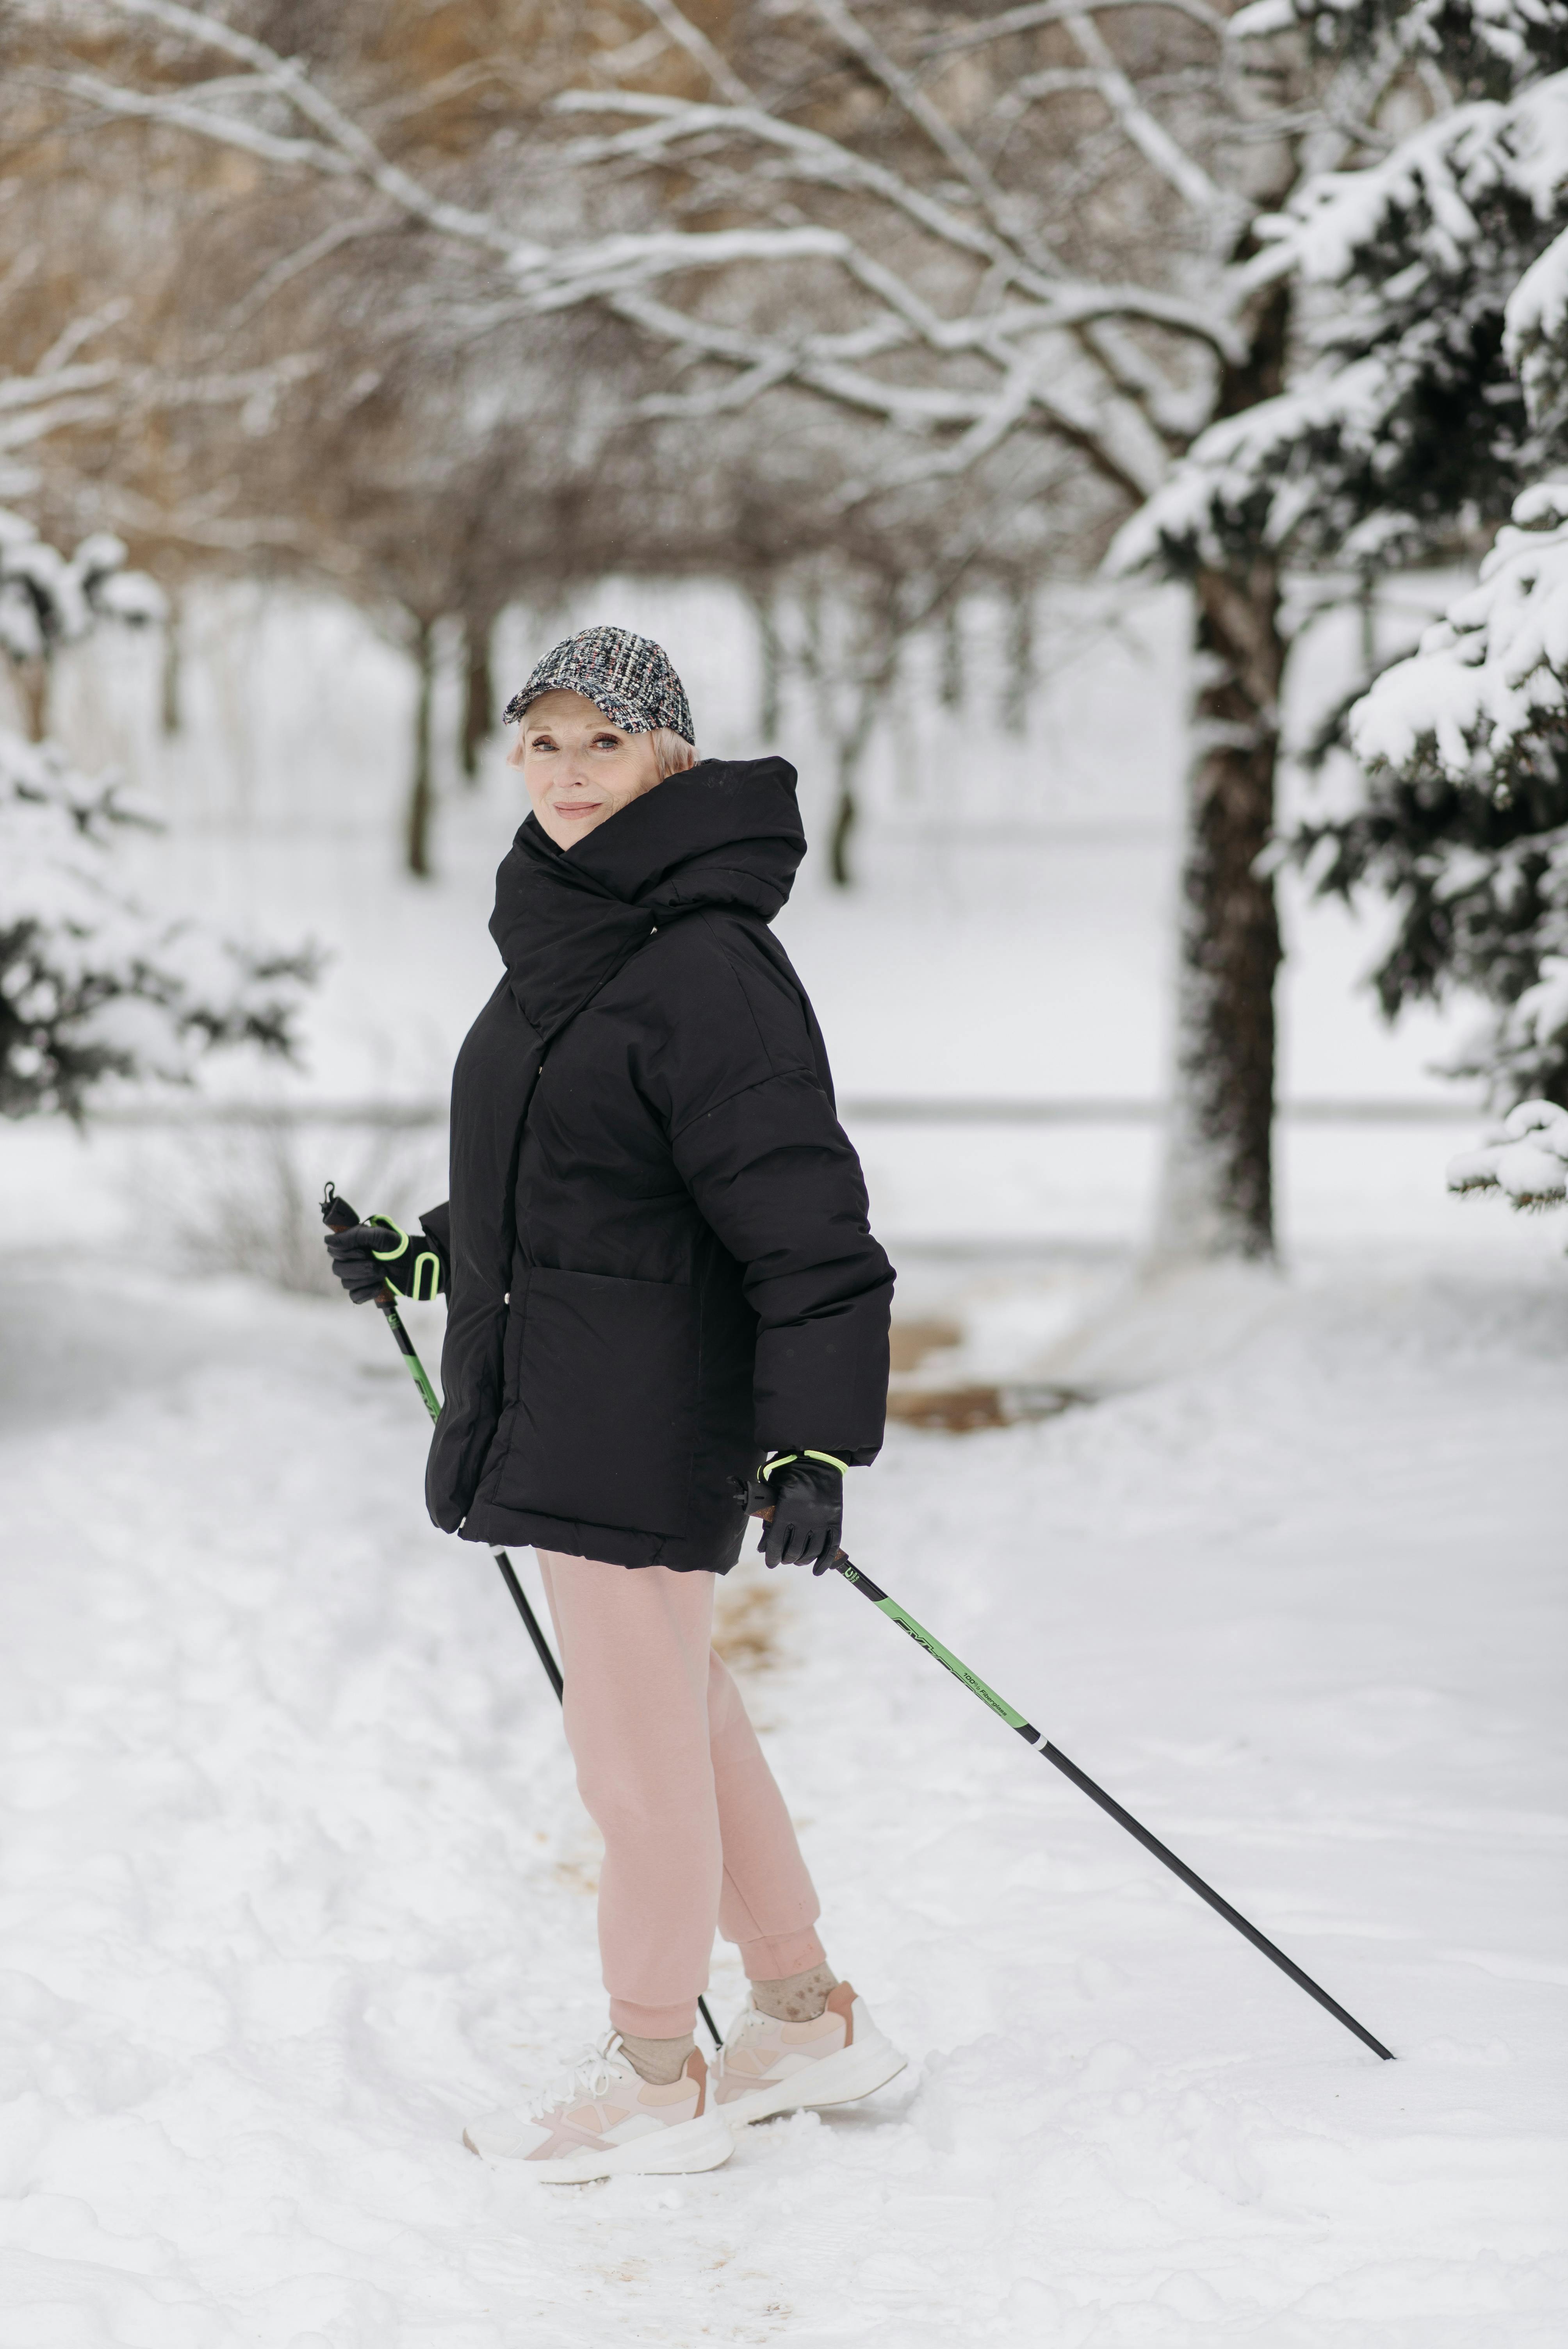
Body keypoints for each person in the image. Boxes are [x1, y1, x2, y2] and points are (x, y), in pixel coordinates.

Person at [326, 624, 904, 2183]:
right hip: (590, 1389)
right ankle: (800, 2012)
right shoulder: (577, 934)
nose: (569, 773)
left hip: (645, 1415)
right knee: (680, 1714)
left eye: (604, 741)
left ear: (671, 757)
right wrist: (427, 1255)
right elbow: (582, 1188)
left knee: (631, 1755)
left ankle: (657, 2071)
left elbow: (804, 1223)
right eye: (543, 743)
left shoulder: (703, 960)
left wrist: (808, 1438)